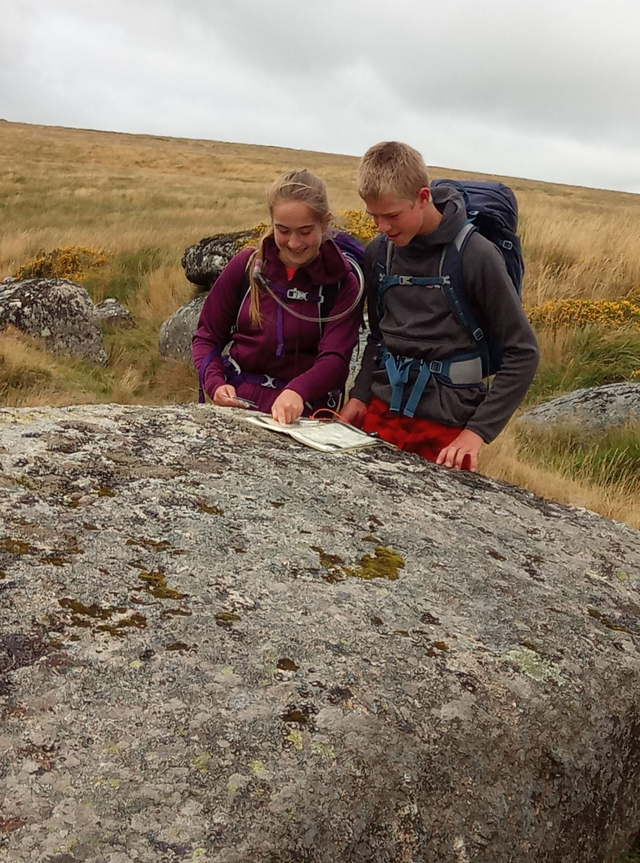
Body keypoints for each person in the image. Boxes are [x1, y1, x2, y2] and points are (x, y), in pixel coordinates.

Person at [340, 141, 539, 472]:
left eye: (391, 216)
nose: (382, 228)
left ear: (422, 197)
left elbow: (524, 352)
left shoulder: (476, 256)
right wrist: (360, 397)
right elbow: (378, 337)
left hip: (447, 427)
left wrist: (476, 433)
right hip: (381, 412)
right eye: (373, 216)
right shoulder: (379, 252)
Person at [192, 170, 363, 425]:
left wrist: (297, 391)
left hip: (303, 418)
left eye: (305, 232)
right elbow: (207, 336)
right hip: (237, 408)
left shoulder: (342, 284)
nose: (294, 243)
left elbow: (335, 360)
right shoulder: (245, 267)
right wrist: (215, 383)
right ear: (271, 222)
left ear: (325, 223)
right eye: (283, 230)